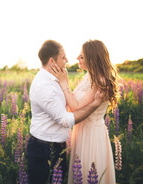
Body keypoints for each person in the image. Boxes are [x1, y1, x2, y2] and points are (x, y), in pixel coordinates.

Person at [27, 40, 105, 184]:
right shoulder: (45, 86)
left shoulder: (55, 78)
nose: (68, 60)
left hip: (59, 145)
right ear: (52, 61)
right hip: (44, 148)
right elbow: (65, 119)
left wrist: (64, 82)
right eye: (63, 57)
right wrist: (95, 105)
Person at [50, 39, 120, 184]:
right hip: (82, 131)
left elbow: (75, 106)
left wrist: (64, 82)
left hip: (91, 134)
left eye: (81, 56)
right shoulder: (89, 76)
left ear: (92, 58)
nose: (77, 58)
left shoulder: (99, 80)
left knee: (90, 171)